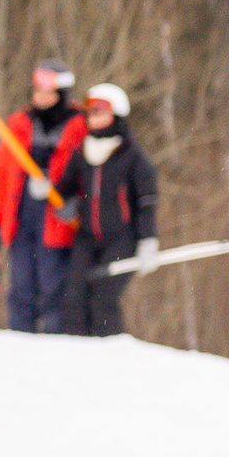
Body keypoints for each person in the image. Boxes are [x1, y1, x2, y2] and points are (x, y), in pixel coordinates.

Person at [49, 81, 159, 335]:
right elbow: (65, 188)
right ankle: (75, 354)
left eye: (101, 110)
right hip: (87, 238)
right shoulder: (82, 152)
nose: (94, 116)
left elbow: (147, 202)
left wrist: (148, 241)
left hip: (122, 239)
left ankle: (109, 357)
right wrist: (63, 202)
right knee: (73, 300)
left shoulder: (133, 156)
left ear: (116, 114)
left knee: (103, 300)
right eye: (91, 111)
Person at [0, 54, 81, 331]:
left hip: (57, 221)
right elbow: (1, 177)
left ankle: (54, 347)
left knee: (54, 290)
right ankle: (19, 344)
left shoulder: (79, 127)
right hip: (21, 218)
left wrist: (75, 203)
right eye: (37, 90)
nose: (40, 97)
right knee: (21, 290)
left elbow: (86, 178)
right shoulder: (18, 125)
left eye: (47, 92)